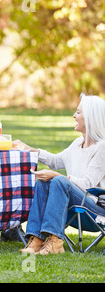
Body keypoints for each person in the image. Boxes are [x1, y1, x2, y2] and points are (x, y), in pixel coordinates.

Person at [17, 94, 105, 255]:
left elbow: (88, 184)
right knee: (44, 182)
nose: (74, 116)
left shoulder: (102, 148)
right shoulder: (78, 144)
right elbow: (55, 160)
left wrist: (58, 176)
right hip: (75, 206)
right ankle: (37, 239)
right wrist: (27, 148)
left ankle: (55, 242)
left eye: (78, 113)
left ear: (91, 118)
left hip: (95, 211)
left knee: (58, 181)